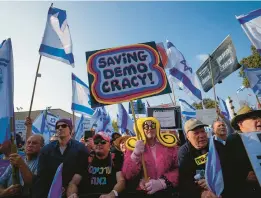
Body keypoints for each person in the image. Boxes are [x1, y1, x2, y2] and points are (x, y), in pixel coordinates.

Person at [122, 117, 179, 197]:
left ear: (157, 127)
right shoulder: (133, 147)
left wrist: (163, 182)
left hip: (166, 193)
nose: (149, 128)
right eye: (146, 126)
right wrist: (135, 155)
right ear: (141, 129)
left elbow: (179, 168)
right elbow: (127, 174)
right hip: (142, 193)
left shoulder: (169, 146)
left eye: (153, 126)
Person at [32, 118, 89, 198]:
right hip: (50, 193)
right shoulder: (46, 150)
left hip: (74, 194)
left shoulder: (81, 148)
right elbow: (42, 176)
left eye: (64, 126)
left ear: (70, 129)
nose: (60, 128)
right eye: (57, 127)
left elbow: (83, 172)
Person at [67, 132, 125, 198]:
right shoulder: (86, 159)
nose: (99, 144)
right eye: (96, 142)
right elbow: (73, 182)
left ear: (110, 145)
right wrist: (72, 194)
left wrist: (112, 193)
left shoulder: (115, 158)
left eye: (103, 142)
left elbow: (121, 181)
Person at [223, 105, 261, 198]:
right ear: (240, 124)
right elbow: (227, 170)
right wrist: (244, 176)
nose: (259, 120)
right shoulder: (234, 140)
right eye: (253, 118)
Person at [178, 118, 218, 198]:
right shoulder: (184, 153)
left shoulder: (215, 145)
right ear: (187, 136)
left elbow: (227, 168)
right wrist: (200, 193)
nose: (202, 136)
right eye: (196, 133)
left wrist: (213, 182)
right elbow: (185, 180)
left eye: (203, 131)